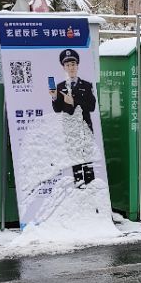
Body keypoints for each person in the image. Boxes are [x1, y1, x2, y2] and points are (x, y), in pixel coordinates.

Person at [50, 47, 97, 185]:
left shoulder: (87, 85)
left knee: (87, 159)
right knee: (75, 160)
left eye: (73, 64)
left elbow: (92, 107)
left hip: (85, 128)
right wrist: (54, 98)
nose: (71, 68)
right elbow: (57, 110)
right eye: (68, 65)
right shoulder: (60, 87)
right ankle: (79, 186)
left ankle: (90, 186)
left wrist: (74, 102)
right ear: (64, 67)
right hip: (70, 129)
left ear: (77, 66)